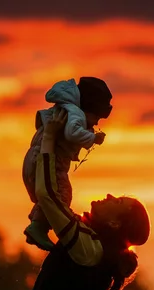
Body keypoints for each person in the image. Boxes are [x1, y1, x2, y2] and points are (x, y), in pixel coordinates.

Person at [15, 108, 151, 290]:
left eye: (119, 201)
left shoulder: (90, 248)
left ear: (116, 223)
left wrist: (50, 138)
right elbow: (51, 199)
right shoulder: (91, 242)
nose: (111, 196)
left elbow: (48, 195)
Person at [22, 77, 113, 251]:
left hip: (34, 159)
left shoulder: (68, 111)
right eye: (96, 117)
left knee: (56, 194)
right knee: (62, 193)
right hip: (47, 161)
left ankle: (38, 225)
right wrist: (92, 138)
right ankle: (40, 228)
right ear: (88, 108)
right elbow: (72, 134)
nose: (96, 123)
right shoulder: (75, 114)